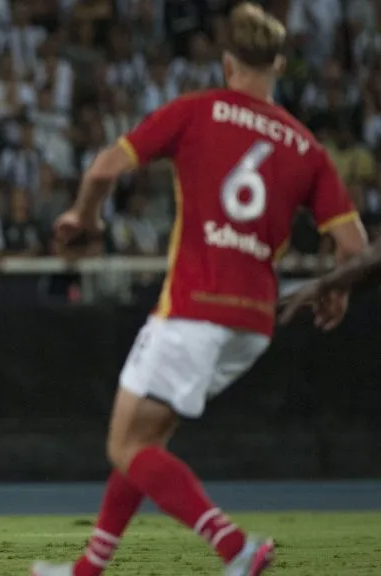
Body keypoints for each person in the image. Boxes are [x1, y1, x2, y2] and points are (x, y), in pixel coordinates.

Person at [31, 4, 367, 576]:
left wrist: (83, 219)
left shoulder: (199, 110)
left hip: (193, 309)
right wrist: (336, 290)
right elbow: (355, 245)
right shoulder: (306, 147)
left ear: (228, 63)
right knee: (147, 445)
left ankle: (235, 547)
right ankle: (89, 569)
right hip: (255, 321)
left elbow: (104, 168)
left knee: (124, 446)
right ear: (279, 65)